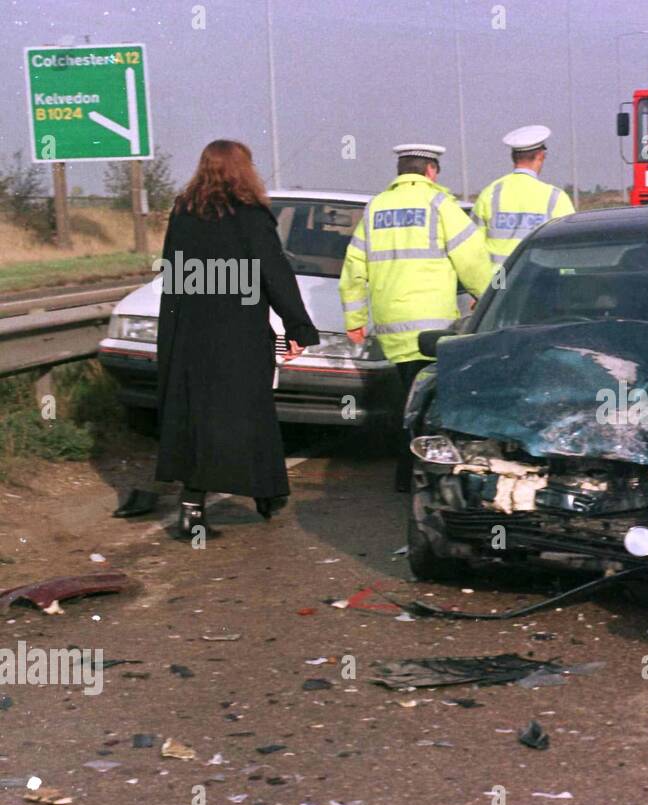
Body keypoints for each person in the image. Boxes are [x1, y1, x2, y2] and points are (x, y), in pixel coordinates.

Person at [155, 139, 320, 536]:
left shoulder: (183, 212)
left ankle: (193, 506)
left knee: (197, 418)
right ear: (244, 170)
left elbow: (172, 272)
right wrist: (297, 327)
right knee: (251, 414)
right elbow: (274, 273)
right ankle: (267, 494)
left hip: (190, 333)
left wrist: (170, 337)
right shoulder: (251, 214)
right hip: (238, 335)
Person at [340, 143, 493, 491]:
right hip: (432, 326)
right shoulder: (440, 205)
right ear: (431, 171)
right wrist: (486, 299)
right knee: (429, 404)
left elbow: (354, 268)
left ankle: (404, 476)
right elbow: (472, 259)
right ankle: (419, 478)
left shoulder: (376, 207)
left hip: (392, 326)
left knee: (406, 399)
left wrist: (354, 319)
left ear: (400, 171)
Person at [473, 125, 575, 269]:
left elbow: (474, 249)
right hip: (537, 281)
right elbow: (569, 250)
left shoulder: (489, 194)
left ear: (512, 157)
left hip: (497, 282)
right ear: (540, 156)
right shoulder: (555, 198)